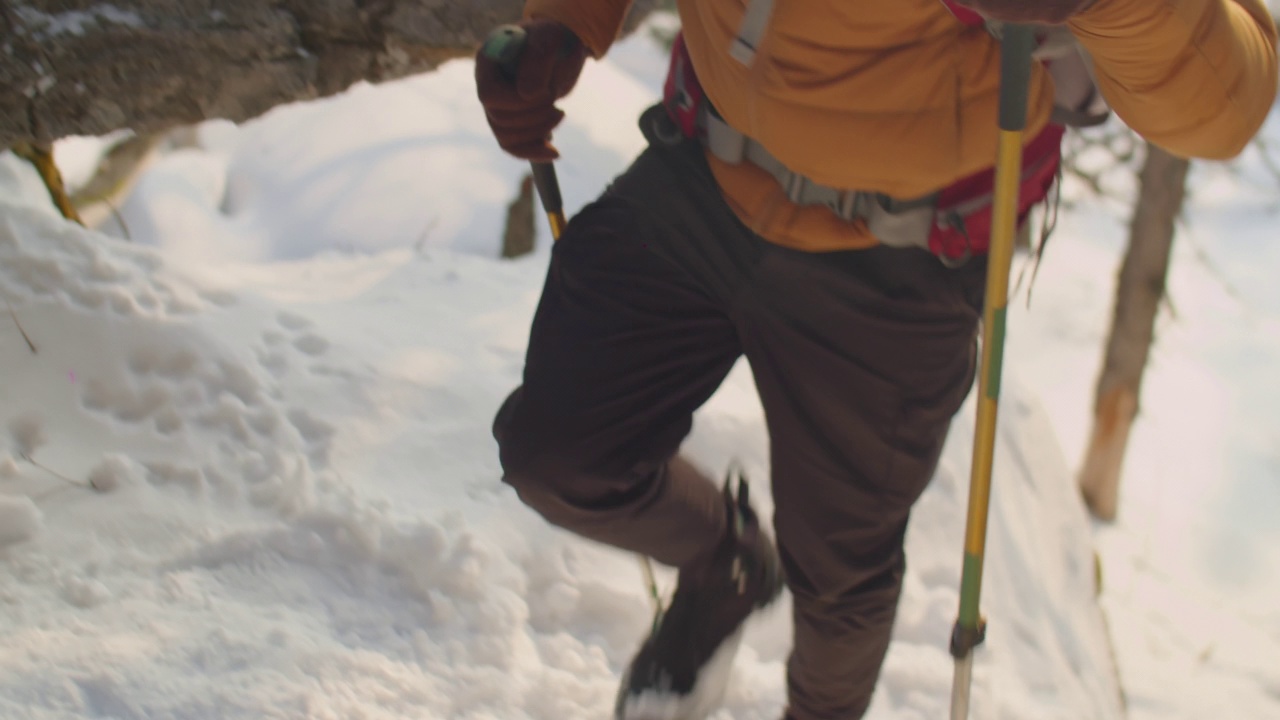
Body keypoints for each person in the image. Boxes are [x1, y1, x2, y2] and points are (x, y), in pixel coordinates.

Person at [477, 1, 1277, 718]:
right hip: (704, 167)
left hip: (904, 253)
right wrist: (568, 22)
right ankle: (728, 566)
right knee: (559, 454)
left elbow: (1227, 105)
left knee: (840, 572)